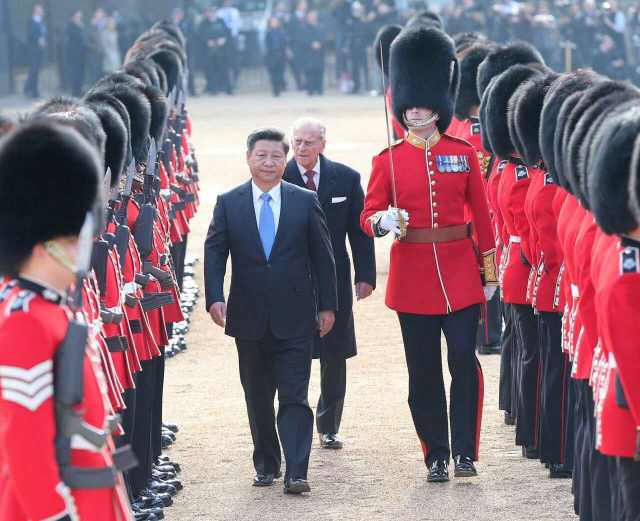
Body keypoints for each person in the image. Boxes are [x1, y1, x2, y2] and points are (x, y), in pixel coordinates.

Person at [360, 26, 497, 483]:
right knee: (423, 374)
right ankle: (435, 452)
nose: (415, 111)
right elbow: (369, 213)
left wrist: (489, 271)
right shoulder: (388, 160)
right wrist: (383, 221)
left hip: (459, 272)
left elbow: (483, 215)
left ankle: (465, 452)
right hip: (412, 276)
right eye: (409, 105)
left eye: (422, 104)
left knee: (462, 360)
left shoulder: (462, 154)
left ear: (438, 103)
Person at [0, 120, 134, 521]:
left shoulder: (53, 309)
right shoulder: (25, 320)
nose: (84, 247)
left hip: (92, 500)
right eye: (75, 238)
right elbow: (26, 449)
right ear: (45, 246)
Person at [204, 128, 337, 494]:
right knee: (258, 395)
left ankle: (297, 470)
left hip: (296, 316)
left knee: (295, 395)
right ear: (248, 158)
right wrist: (214, 295)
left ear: (285, 159)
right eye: (261, 156)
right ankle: (266, 462)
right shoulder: (228, 202)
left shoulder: (304, 201)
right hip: (247, 317)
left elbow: (323, 258)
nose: (268, 163)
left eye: (276, 157)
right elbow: (215, 251)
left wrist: (327, 306)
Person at [284, 118, 376, 450]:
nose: (302, 148)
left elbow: (360, 231)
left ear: (323, 144)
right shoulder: (279, 177)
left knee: (333, 354)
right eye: (297, 142)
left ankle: (329, 424)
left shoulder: (346, 178)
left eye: (309, 142)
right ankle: (294, 422)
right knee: (292, 352)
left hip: (334, 279)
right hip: (291, 280)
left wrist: (365, 275)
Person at [198, 7, 233, 95]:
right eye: (209, 12)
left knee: (224, 70)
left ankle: (227, 89)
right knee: (210, 71)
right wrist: (207, 41)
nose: (211, 14)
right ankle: (213, 89)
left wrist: (223, 39)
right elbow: (200, 35)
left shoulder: (221, 21)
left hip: (222, 51)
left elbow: (227, 33)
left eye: (212, 12)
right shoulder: (203, 23)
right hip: (209, 52)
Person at [24, 4, 46, 99]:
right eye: (40, 9)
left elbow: (42, 33)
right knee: (34, 70)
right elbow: (30, 34)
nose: (42, 11)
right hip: (33, 49)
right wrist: (38, 40)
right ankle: (32, 91)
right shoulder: (31, 21)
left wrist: (43, 40)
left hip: (39, 49)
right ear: (35, 11)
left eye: (42, 9)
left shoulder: (41, 22)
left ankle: (29, 89)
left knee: (36, 70)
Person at [301, 10, 325, 96]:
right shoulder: (304, 28)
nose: (312, 18)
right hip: (308, 53)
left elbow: (324, 38)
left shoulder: (321, 27)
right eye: (310, 16)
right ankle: (310, 90)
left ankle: (319, 90)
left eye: (314, 16)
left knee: (319, 71)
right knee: (309, 72)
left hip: (319, 53)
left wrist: (320, 44)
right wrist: (311, 44)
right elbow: (302, 40)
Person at [65, 10, 87, 97]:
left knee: (81, 72)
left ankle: (79, 89)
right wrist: (80, 28)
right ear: (74, 16)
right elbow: (76, 37)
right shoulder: (70, 26)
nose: (79, 17)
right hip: (74, 54)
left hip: (81, 53)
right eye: (78, 15)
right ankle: (75, 91)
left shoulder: (81, 25)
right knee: (75, 73)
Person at [265, 17, 287, 97]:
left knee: (280, 73)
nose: (274, 23)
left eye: (275, 22)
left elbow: (284, 44)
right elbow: (267, 45)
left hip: (281, 55)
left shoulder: (282, 32)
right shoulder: (268, 33)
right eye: (272, 22)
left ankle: (280, 86)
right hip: (272, 56)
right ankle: (275, 90)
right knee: (273, 74)